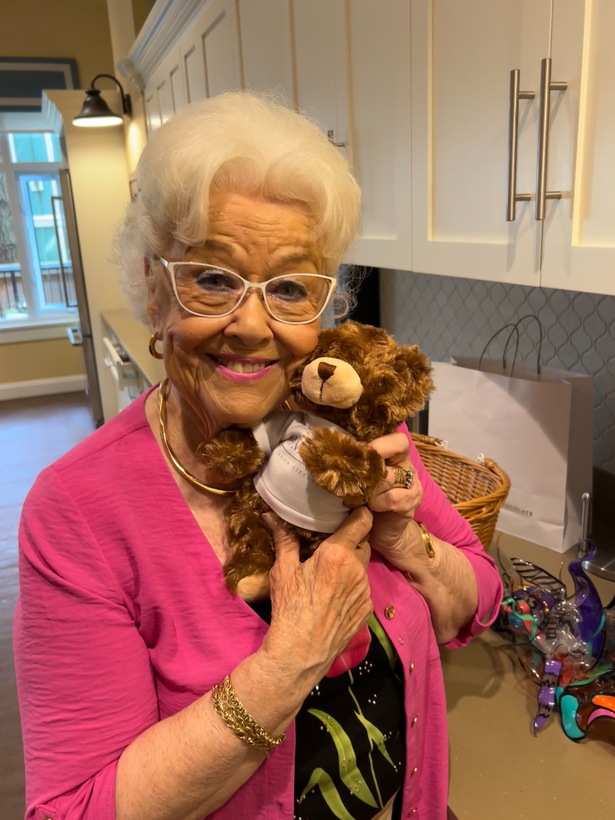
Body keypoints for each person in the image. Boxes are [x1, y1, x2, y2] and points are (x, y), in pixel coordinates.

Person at [13, 93, 502, 820]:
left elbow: (476, 603)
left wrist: (405, 540)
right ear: (153, 287)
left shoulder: (346, 430)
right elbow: (73, 809)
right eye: (212, 277)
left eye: (288, 287)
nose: (251, 324)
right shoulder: (78, 512)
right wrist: (287, 664)